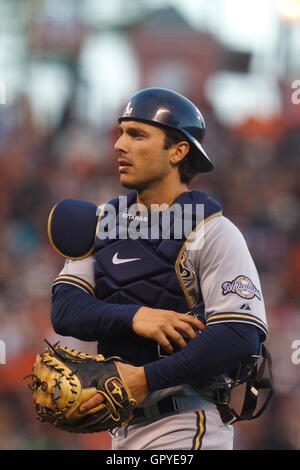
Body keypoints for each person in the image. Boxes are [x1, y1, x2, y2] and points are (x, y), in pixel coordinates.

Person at [49, 88, 268, 450]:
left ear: (178, 151)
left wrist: (145, 379)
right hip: (122, 431)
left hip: (186, 424)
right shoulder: (104, 223)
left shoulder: (213, 231)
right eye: (120, 132)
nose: (120, 145)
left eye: (136, 134)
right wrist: (135, 316)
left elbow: (239, 335)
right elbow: (65, 310)